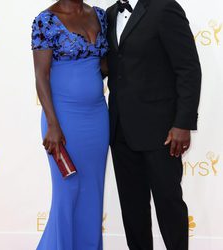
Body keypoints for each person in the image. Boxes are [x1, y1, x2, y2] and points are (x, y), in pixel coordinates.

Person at [106, 0, 201, 249]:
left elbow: (188, 68)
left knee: (169, 205)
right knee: (132, 209)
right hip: (120, 130)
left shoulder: (165, 8)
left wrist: (183, 123)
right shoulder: (109, 14)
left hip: (162, 131)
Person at [31, 0, 109, 249]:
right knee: (68, 191)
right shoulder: (45, 20)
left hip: (97, 118)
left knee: (93, 192)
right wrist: (53, 124)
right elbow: (41, 76)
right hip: (63, 120)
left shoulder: (99, 15)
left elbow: (105, 65)